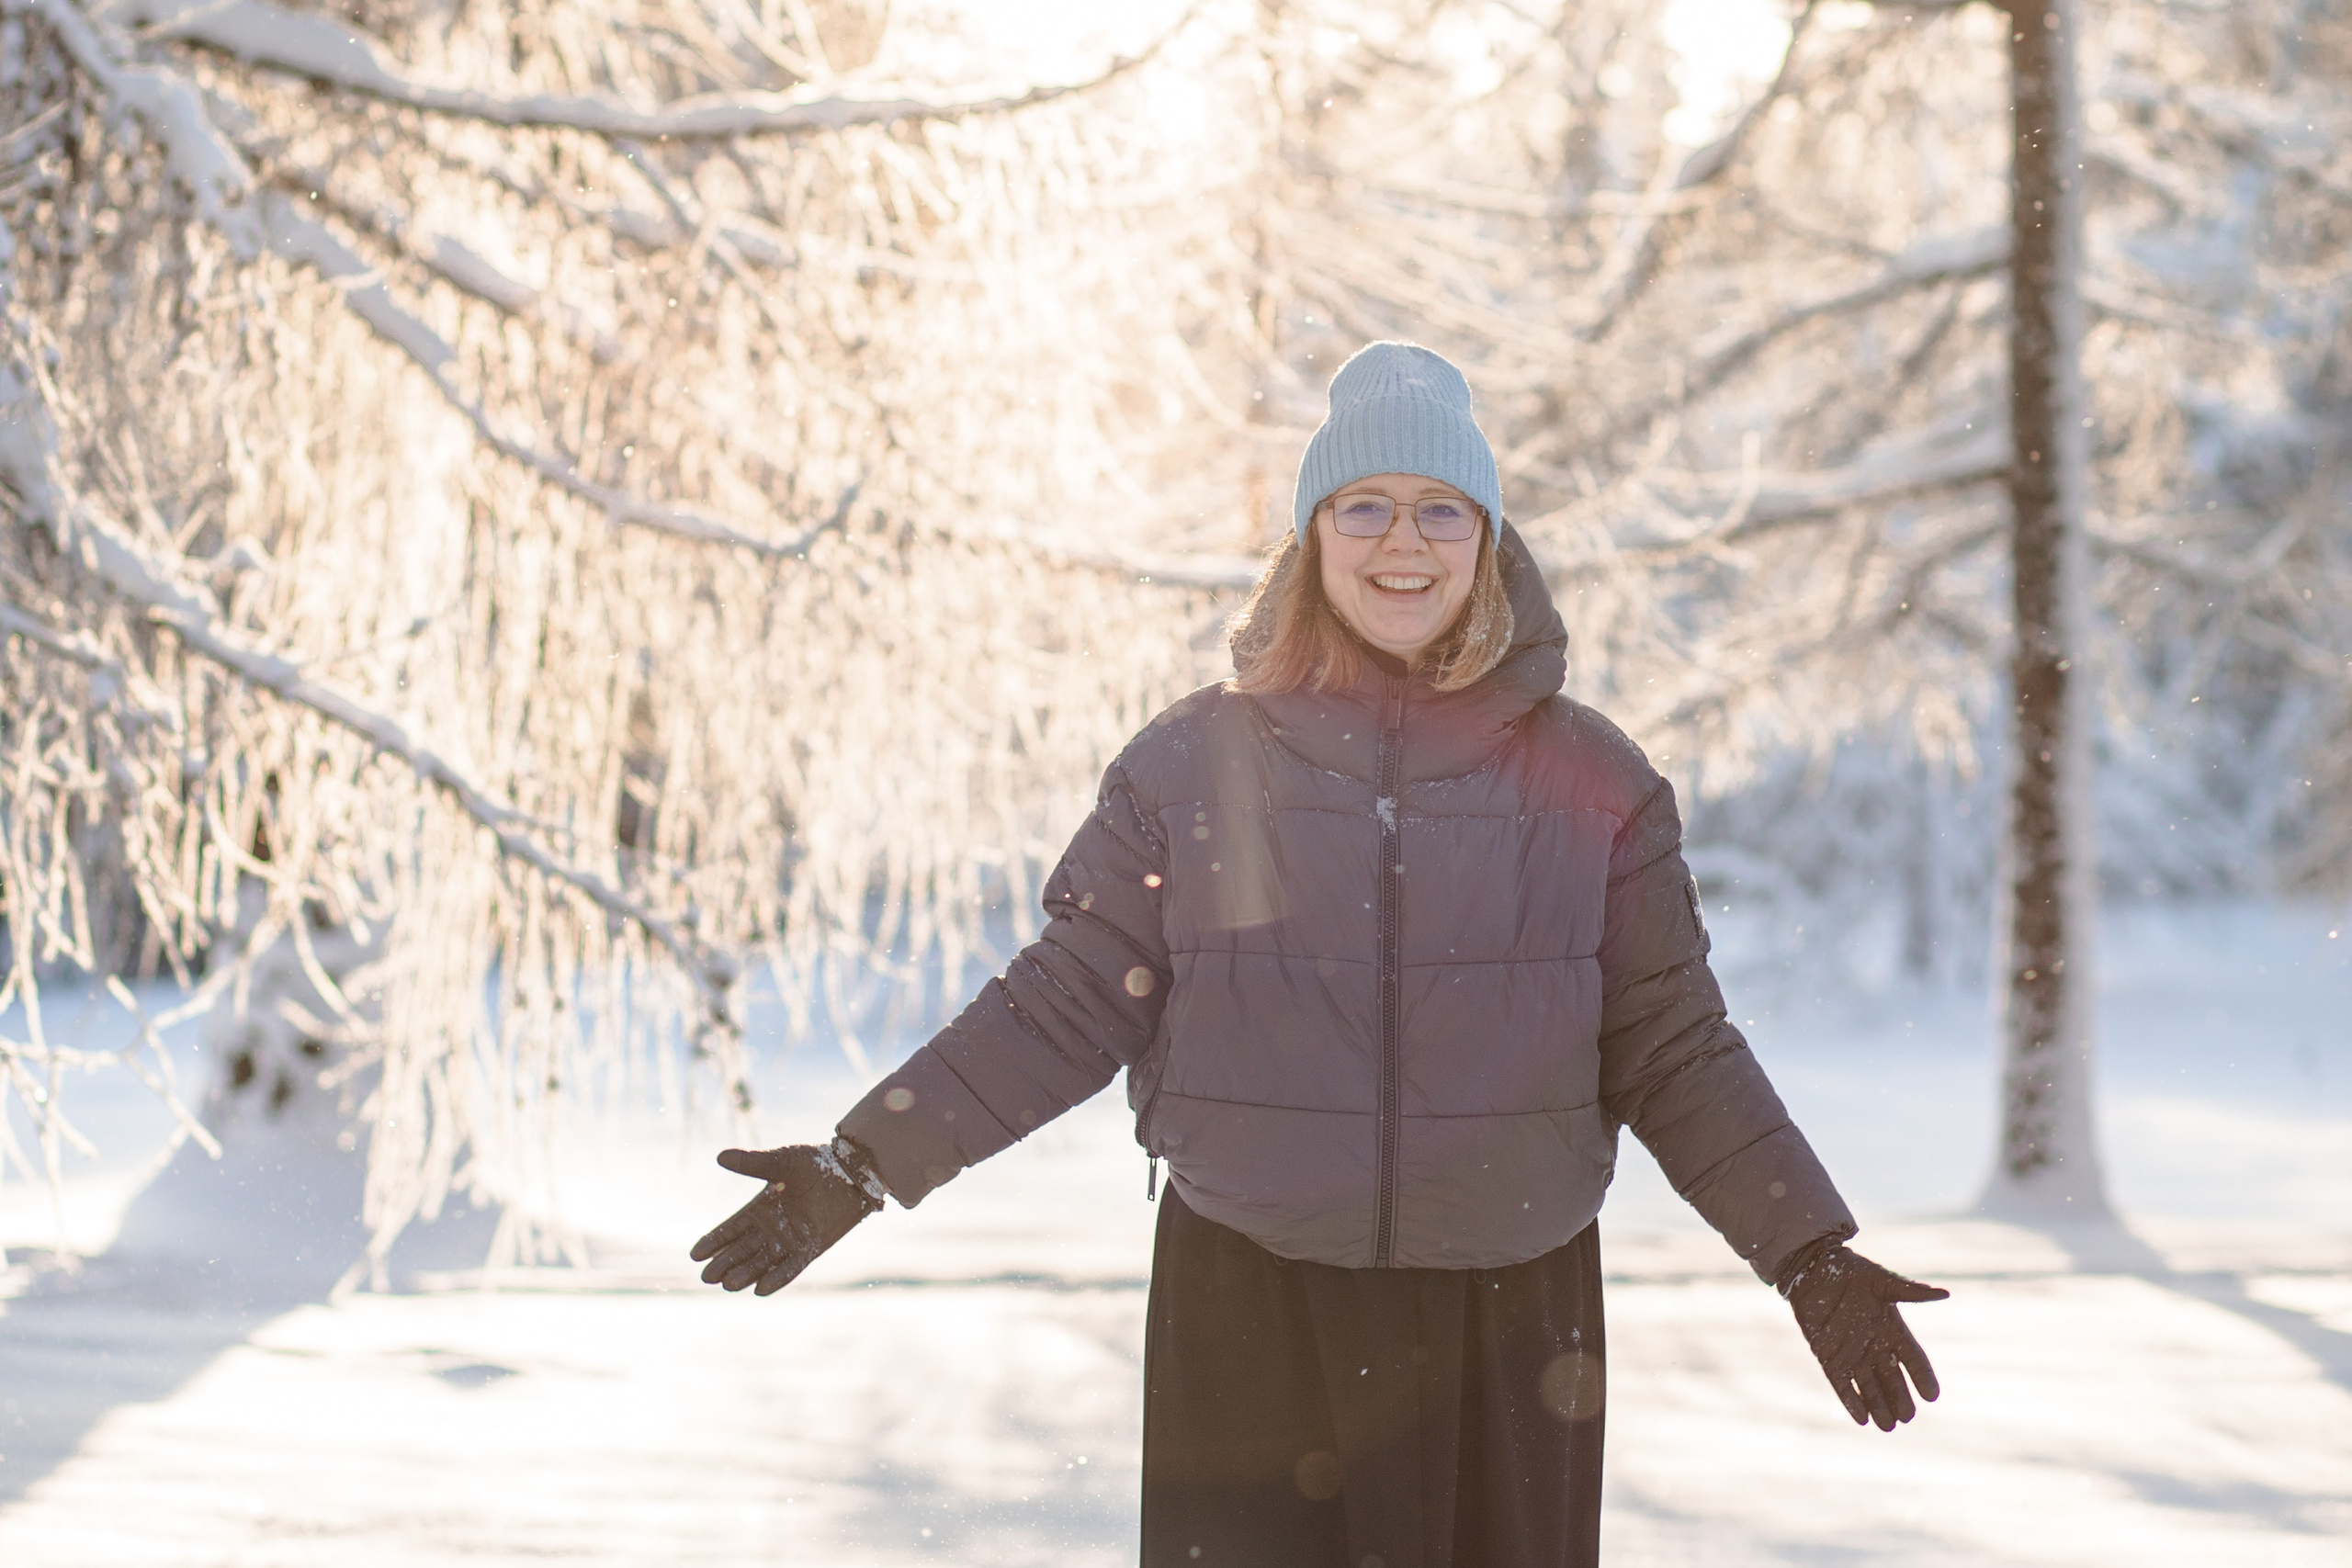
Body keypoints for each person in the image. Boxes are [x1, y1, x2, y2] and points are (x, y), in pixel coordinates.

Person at [691, 342, 1947, 1567]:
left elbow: (1672, 1046)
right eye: (1366, 507)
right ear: (1313, 538)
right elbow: (1068, 1002)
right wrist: (863, 1163)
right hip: (1251, 1310)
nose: (1402, 542)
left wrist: (1806, 1251)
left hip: (1506, 1320)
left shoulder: (1592, 782)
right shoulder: (1197, 766)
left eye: (1439, 510)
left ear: (1490, 540)